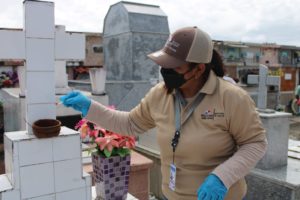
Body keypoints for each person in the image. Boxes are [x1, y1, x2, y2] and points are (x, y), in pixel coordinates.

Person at [60, 26, 267, 200]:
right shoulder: (160, 94)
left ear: (199, 69)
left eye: (174, 67)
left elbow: (255, 143)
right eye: (164, 64)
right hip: (172, 195)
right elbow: (130, 124)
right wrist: (91, 108)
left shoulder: (231, 98)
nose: (165, 71)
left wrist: (223, 177)